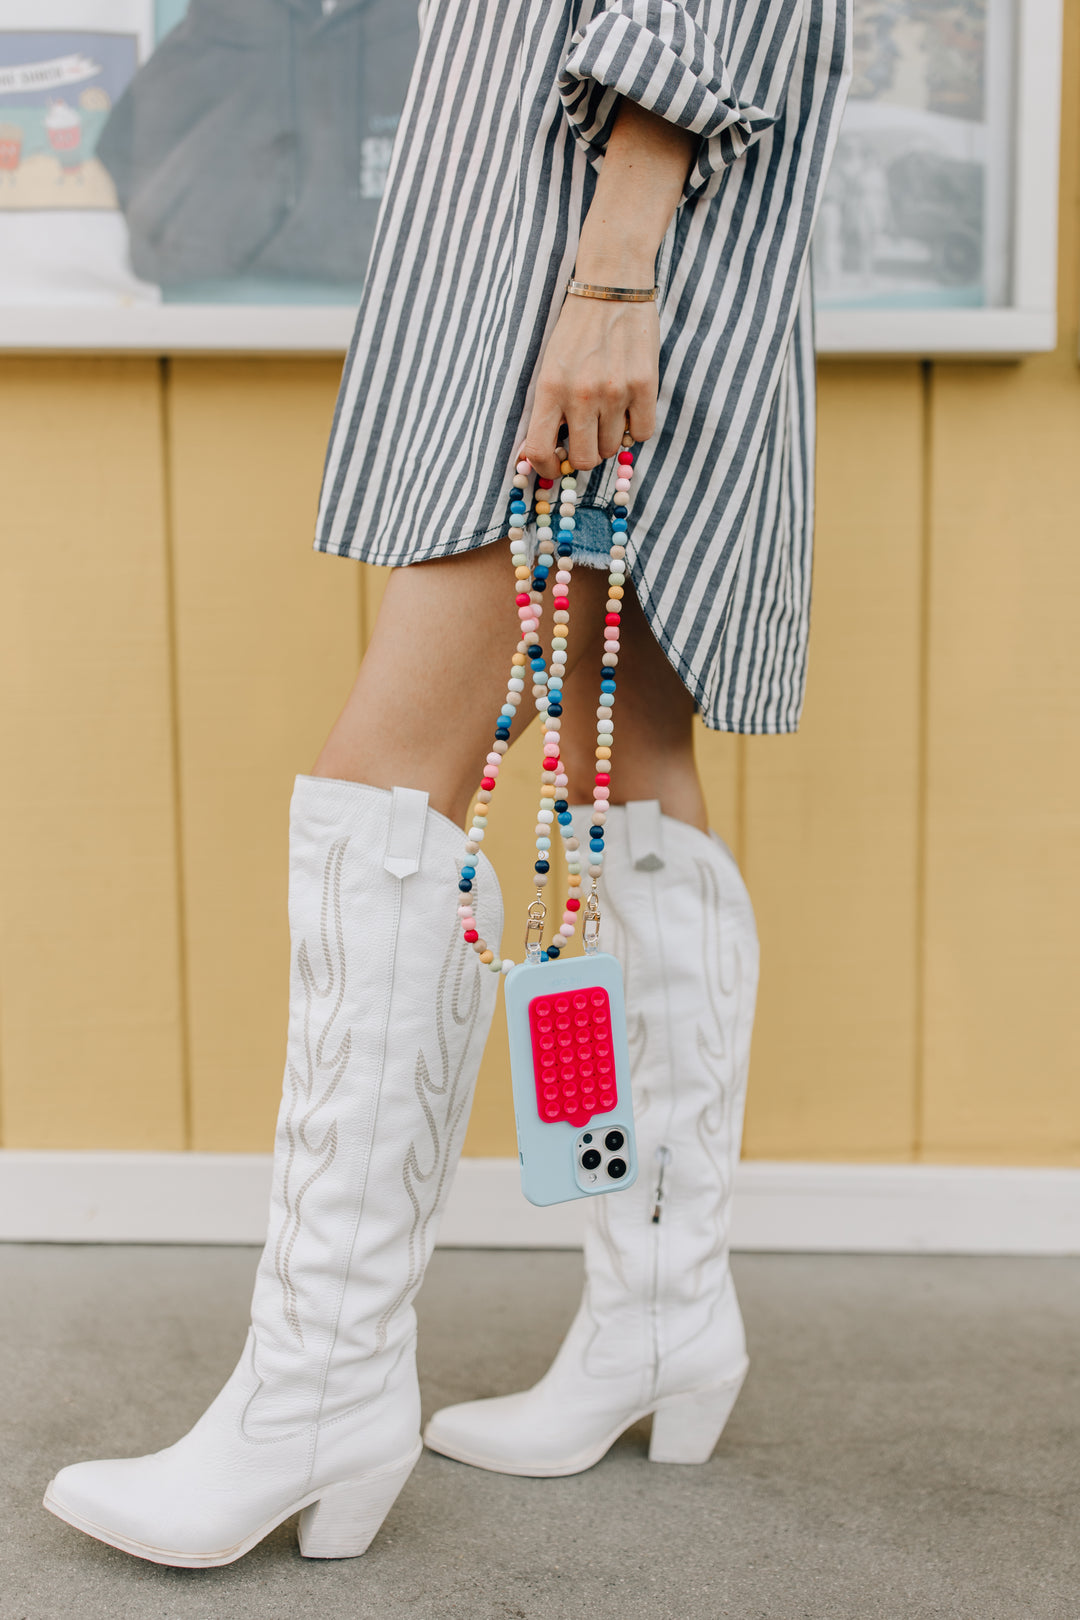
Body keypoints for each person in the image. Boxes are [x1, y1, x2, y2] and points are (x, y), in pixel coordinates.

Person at [44, 0, 850, 1567]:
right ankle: (662, 1318)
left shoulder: (607, 244)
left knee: (389, 783)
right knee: (631, 768)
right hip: (576, 233)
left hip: (586, 249)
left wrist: (618, 256)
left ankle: (321, 1392)